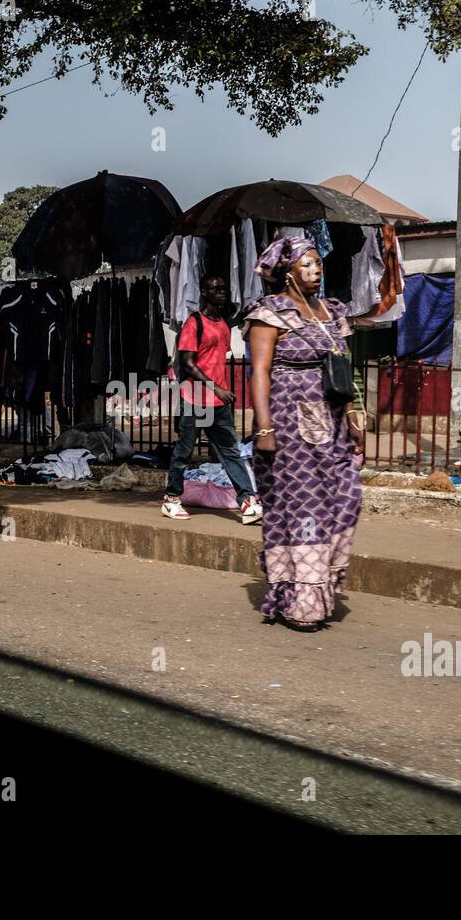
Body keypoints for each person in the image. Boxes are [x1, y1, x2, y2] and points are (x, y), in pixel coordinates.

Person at [244, 236, 366, 631]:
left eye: (318, 264)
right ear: (288, 272)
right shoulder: (269, 314)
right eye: (307, 265)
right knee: (304, 506)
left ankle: (318, 581)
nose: (316, 271)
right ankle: (302, 601)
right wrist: (264, 427)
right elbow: (259, 372)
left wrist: (353, 413)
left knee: (346, 496)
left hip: (330, 421)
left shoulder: (331, 312)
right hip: (288, 422)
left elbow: (344, 366)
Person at [162, 274, 262, 525]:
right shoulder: (193, 323)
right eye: (216, 289)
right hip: (195, 399)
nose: (222, 292)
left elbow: (216, 360)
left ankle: (247, 501)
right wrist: (216, 387)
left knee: (231, 453)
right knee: (184, 452)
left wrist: (220, 391)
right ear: (204, 293)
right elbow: (188, 363)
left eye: (224, 288)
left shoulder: (224, 325)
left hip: (218, 404)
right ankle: (171, 498)